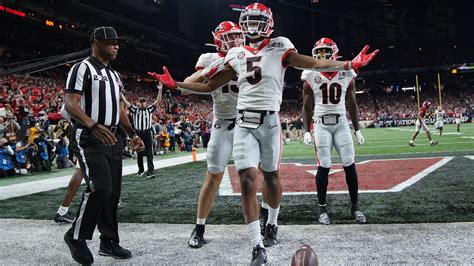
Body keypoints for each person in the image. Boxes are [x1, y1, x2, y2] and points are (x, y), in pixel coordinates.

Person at [149, 3, 378, 264]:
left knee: (271, 178)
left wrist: (349, 63)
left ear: (268, 22)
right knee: (247, 180)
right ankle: (256, 245)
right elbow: (211, 83)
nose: (252, 25)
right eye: (248, 20)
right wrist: (176, 85)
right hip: (243, 122)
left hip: (269, 123)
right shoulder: (235, 53)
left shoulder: (280, 46)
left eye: (258, 20)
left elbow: (314, 61)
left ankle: (272, 223)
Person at [63, 26, 144, 265]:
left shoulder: (115, 75)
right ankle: (76, 236)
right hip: (89, 135)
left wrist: (132, 133)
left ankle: (108, 241)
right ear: (96, 43)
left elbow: (119, 109)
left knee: (113, 192)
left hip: (113, 136)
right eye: (111, 42)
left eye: (117, 42)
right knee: (100, 187)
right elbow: (70, 103)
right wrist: (92, 125)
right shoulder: (82, 68)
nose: (116, 46)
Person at [167, 21, 244, 248]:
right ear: (219, 39)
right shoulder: (210, 58)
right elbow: (190, 83)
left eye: (239, 35)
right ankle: (199, 227)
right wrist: (176, 84)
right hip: (222, 123)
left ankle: (264, 222)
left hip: (247, 123)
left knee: (253, 176)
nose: (237, 41)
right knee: (212, 178)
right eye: (231, 37)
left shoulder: (249, 55)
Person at [302, 37, 367, 225]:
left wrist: (357, 130)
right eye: (319, 52)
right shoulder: (309, 74)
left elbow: (352, 104)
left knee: (349, 163)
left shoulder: (347, 72)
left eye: (325, 51)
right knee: (324, 165)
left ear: (335, 53)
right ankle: (322, 209)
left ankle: (355, 207)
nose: (322, 55)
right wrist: (306, 130)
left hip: (341, 123)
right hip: (321, 124)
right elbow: (306, 106)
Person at [122, 87, 162, 178]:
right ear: (138, 103)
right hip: (138, 132)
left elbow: (158, 101)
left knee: (149, 152)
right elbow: (126, 103)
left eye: (144, 101)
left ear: (146, 102)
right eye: (141, 101)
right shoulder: (135, 110)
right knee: (139, 151)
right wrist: (121, 94)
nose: (142, 103)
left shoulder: (149, 109)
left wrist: (160, 90)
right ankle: (141, 170)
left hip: (147, 132)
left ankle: (150, 171)